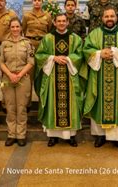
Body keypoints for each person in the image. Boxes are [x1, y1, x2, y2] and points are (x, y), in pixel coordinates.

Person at [83, 7, 118, 148]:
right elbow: (86, 49)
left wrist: (116, 53)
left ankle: (117, 138)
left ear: (116, 17)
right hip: (99, 75)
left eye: (112, 16)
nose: (109, 19)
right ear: (102, 18)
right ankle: (100, 136)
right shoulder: (94, 34)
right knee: (99, 102)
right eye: (106, 16)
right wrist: (99, 53)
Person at [35, 14, 84, 147]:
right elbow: (39, 55)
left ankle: (71, 136)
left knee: (71, 105)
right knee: (52, 103)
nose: (61, 23)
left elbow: (80, 55)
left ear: (68, 22)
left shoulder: (76, 39)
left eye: (64, 21)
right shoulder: (47, 38)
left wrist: (68, 59)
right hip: (52, 77)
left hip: (70, 77)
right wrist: (52, 58)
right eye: (59, 21)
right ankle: (53, 136)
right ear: (54, 23)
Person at [0, 18, 34, 147]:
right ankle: (11, 134)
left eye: (17, 26)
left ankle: (21, 135)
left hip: (23, 79)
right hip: (7, 79)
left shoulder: (27, 43)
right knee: (10, 107)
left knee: (21, 107)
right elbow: (0, 62)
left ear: (20, 28)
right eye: (12, 27)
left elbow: (31, 62)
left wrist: (19, 75)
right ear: (10, 28)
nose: (15, 29)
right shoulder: (4, 44)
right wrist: (10, 75)